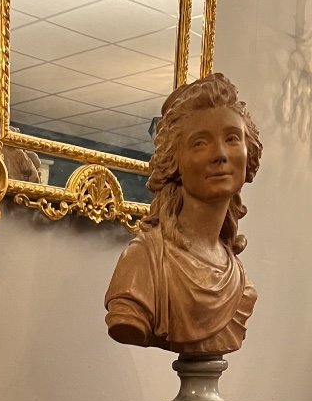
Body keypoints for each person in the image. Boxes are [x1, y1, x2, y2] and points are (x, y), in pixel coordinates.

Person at [105, 73, 262, 357]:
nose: (220, 155)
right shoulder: (144, 262)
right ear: (174, 162)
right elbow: (124, 322)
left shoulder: (243, 287)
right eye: (200, 143)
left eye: (231, 138)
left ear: (248, 154)